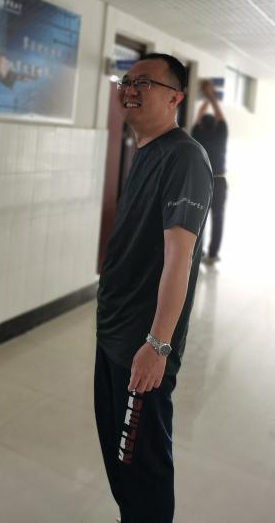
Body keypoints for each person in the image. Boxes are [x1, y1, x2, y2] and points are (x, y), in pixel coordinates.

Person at [95, 53, 213, 523]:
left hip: (142, 346)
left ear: (175, 98)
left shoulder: (184, 158)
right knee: (120, 462)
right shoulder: (146, 151)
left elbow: (179, 257)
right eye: (127, 80)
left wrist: (158, 345)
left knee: (142, 469)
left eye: (144, 82)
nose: (130, 89)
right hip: (115, 335)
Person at [191, 79, 228, 266]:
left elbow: (198, 116)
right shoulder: (221, 133)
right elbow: (220, 117)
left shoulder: (197, 135)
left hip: (201, 181)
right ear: (215, 125)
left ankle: (198, 253)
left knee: (199, 218)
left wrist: (205, 99)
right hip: (219, 181)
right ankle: (212, 255)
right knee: (218, 219)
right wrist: (211, 97)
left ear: (202, 125)